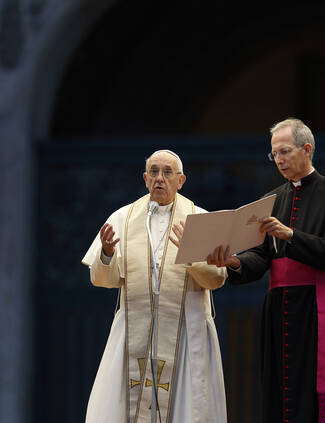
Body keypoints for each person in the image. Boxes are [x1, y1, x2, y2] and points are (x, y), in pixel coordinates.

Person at [207, 118, 325, 423]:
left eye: (285, 151)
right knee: (279, 392)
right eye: (274, 154)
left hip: (315, 311)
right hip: (278, 312)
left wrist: (290, 235)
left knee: (311, 395)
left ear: (307, 149)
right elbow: (261, 259)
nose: (279, 159)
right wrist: (233, 262)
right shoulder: (270, 200)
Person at [82, 149, 227, 423]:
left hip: (186, 332)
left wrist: (192, 256)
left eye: (167, 172)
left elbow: (217, 279)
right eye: (154, 172)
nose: (160, 178)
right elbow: (102, 279)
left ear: (181, 180)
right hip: (134, 333)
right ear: (145, 178)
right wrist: (108, 255)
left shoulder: (201, 219)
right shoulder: (122, 219)